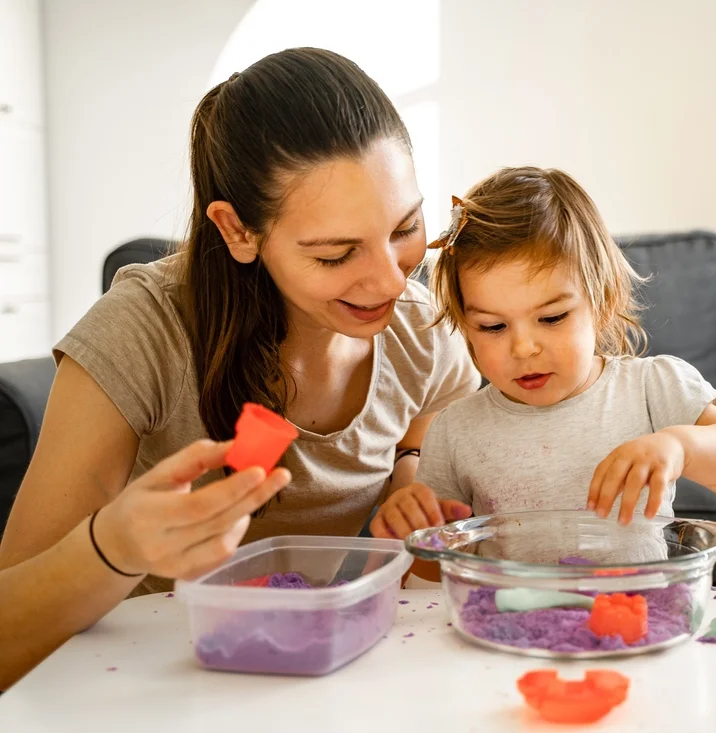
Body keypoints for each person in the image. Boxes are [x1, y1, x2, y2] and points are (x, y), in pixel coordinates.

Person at [0, 47, 480, 689]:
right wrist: (115, 545)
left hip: (323, 664)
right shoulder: (144, 329)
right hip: (148, 676)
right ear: (237, 230)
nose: (392, 280)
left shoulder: (428, 333)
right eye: (337, 254)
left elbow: (422, 449)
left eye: (406, 228)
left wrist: (408, 483)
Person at [370, 166, 716, 546]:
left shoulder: (652, 386)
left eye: (552, 317)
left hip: (631, 611)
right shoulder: (454, 429)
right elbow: (434, 567)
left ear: (603, 300)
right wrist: (414, 528)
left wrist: (682, 446)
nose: (524, 348)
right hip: (508, 616)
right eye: (493, 326)